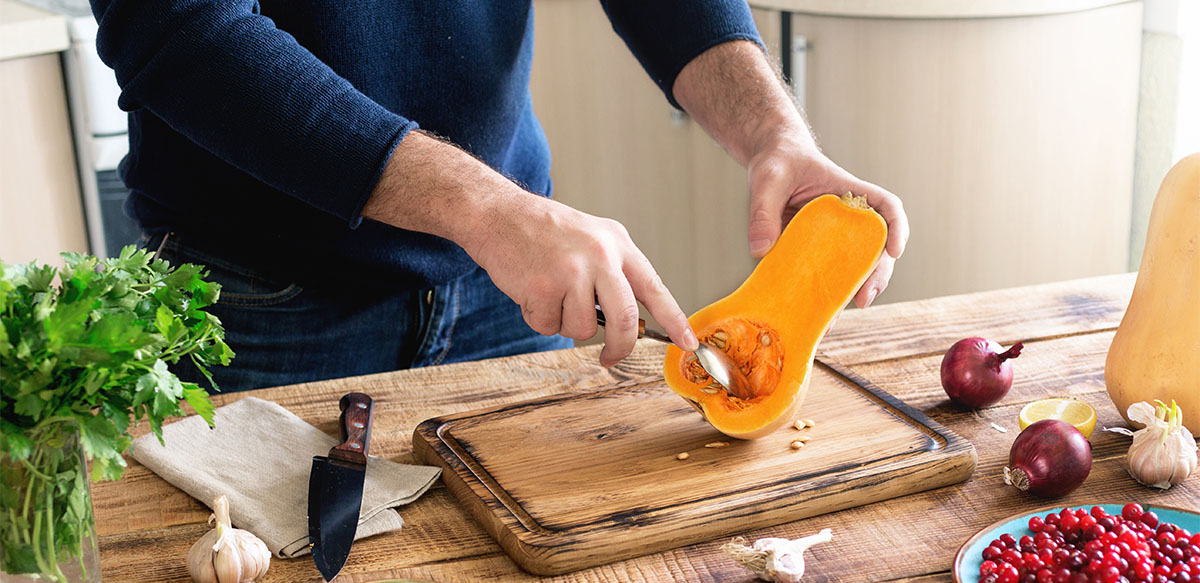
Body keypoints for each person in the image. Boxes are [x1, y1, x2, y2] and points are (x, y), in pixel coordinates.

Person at [90, 1, 908, 393]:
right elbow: (179, 26)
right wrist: (487, 208)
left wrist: (773, 131)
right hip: (259, 302)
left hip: (503, 288)